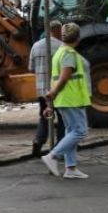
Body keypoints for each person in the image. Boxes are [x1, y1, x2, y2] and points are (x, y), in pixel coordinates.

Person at [41, 23, 91, 179]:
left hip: (64, 99)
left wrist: (51, 100)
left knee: (71, 132)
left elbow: (55, 78)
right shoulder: (69, 53)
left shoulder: (60, 52)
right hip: (71, 99)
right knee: (80, 131)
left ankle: (70, 168)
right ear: (78, 37)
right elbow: (64, 77)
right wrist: (54, 93)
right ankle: (53, 156)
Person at [30, 22, 66, 158]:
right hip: (57, 89)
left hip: (41, 89)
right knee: (62, 118)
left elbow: (31, 68)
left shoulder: (36, 46)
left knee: (44, 116)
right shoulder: (61, 47)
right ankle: (60, 146)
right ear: (57, 31)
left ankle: (38, 141)